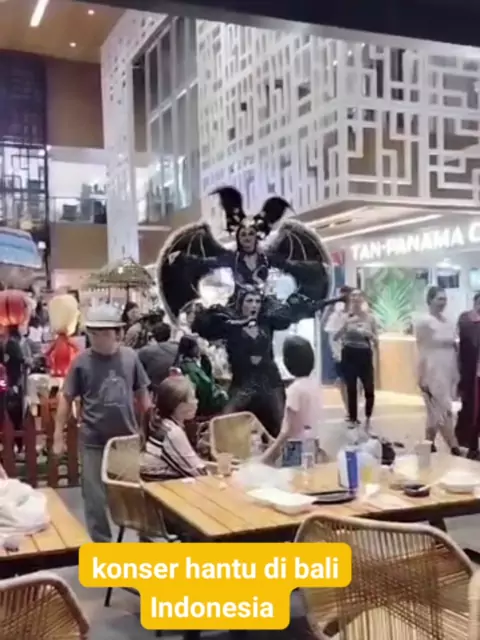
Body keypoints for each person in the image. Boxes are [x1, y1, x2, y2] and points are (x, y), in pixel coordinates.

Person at [53, 304, 151, 543]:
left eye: (104, 332)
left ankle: (146, 540)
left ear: (117, 332)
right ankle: (103, 545)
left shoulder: (130, 357)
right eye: (93, 333)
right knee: (94, 498)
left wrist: (149, 426)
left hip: (126, 439)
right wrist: (58, 436)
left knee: (134, 494)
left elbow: (142, 393)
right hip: (93, 440)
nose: (98, 338)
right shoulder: (81, 362)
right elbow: (66, 397)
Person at [193, 285, 323, 438]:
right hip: (244, 382)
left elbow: (286, 318)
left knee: (282, 424)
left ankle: (286, 451)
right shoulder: (230, 324)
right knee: (225, 425)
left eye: (257, 301)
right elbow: (204, 328)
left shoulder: (266, 322)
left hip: (269, 381)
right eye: (249, 301)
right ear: (241, 303)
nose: (254, 305)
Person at [415, 286, 461, 455]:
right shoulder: (424, 322)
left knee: (434, 410)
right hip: (432, 368)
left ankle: (428, 443)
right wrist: (421, 374)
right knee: (442, 408)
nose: (443, 302)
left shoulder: (449, 321)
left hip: (449, 367)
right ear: (430, 300)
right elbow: (421, 348)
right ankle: (454, 446)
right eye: (439, 299)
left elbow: (455, 345)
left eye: (444, 299)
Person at [140, 375, 207, 481]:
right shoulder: (172, 432)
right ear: (179, 405)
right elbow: (198, 472)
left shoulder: (160, 422)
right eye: (193, 398)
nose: (196, 401)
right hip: (161, 487)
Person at [334, 289, 377, 430]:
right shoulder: (344, 317)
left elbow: (376, 340)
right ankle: (353, 418)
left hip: (364, 353)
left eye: (358, 295)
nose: (355, 298)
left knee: (369, 388)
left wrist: (369, 334)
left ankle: (368, 417)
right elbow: (335, 337)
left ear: (363, 299)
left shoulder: (370, 318)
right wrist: (345, 325)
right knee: (351, 387)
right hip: (349, 353)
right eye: (353, 296)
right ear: (350, 299)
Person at [175, 335, 228, 417]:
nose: (199, 349)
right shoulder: (191, 369)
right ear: (192, 349)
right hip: (201, 405)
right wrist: (220, 392)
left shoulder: (182, 362)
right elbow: (206, 386)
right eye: (197, 347)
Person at [456, 292, 480, 458]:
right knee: (472, 409)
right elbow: (467, 346)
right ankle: (470, 445)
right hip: (471, 373)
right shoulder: (466, 320)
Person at [324, 285, 352, 415]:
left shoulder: (354, 311)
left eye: (344, 296)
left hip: (352, 348)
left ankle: (352, 406)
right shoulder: (335, 311)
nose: (341, 298)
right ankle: (348, 408)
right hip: (338, 351)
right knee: (344, 381)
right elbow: (325, 324)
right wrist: (330, 305)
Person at [137, 322, 178, 392]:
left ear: (153, 336)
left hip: (153, 389)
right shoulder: (177, 348)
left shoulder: (145, 351)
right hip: (174, 388)